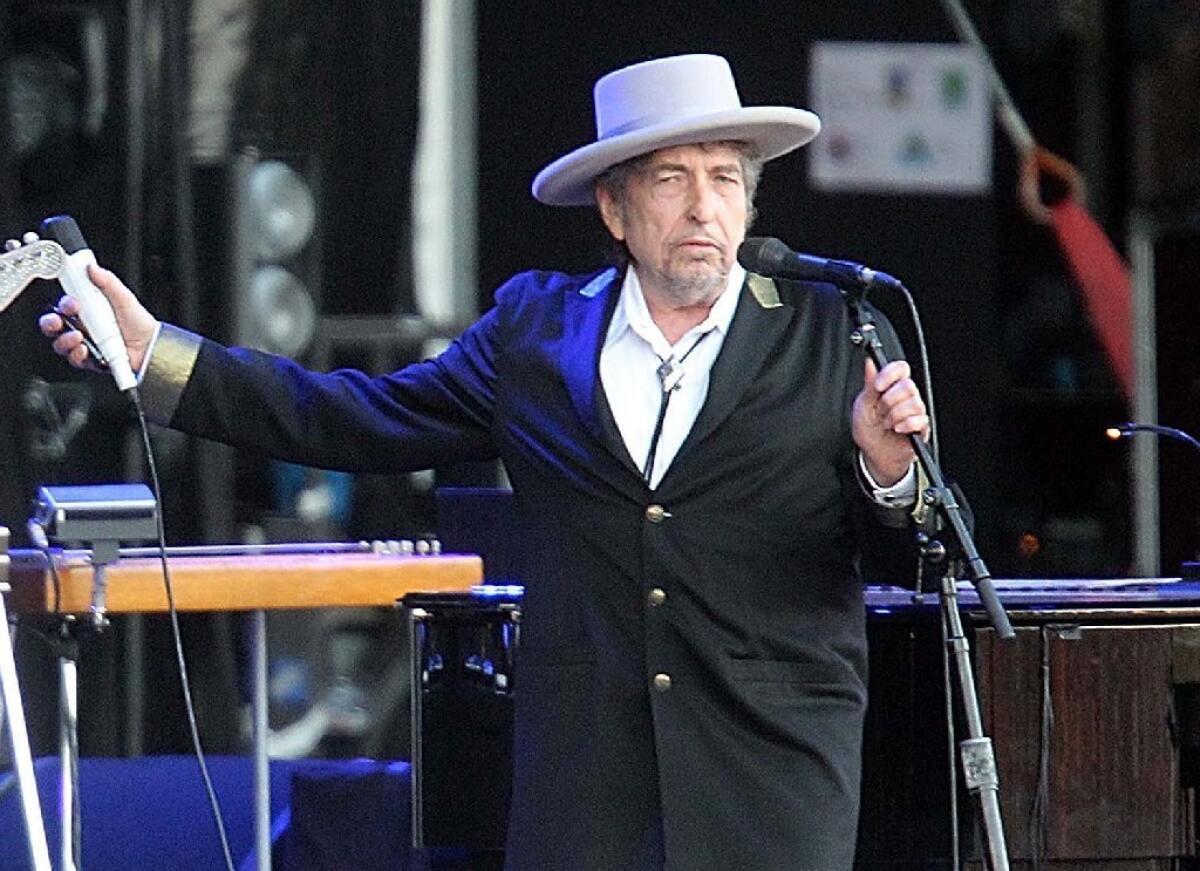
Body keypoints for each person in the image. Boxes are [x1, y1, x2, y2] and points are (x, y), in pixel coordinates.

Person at [43, 54, 929, 870]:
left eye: (725, 179)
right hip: (587, 796)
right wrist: (157, 353)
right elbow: (353, 417)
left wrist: (890, 473)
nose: (705, 207)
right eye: (673, 179)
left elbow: (916, 556)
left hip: (771, 782)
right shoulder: (538, 331)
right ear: (614, 209)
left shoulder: (831, 328)